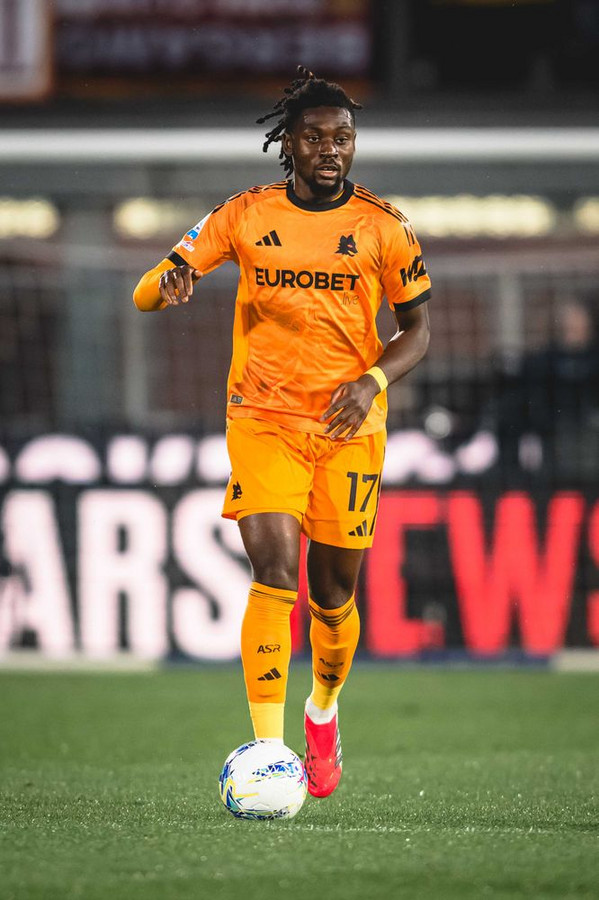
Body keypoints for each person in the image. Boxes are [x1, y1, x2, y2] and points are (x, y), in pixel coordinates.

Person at [133, 66, 431, 799]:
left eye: (343, 137)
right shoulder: (243, 215)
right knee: (274, 572)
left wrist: (372, 380)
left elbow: (418, 331)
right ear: (287, 145)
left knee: (333, 596)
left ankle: (322, 711)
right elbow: (147, 290)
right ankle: (268, 751)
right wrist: (168, 284)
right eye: (315, 137)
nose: (331, 149)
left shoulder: (383, 226)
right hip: (263, 418)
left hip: (348, 425)